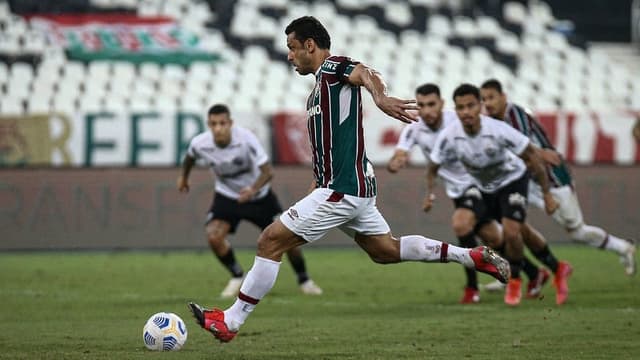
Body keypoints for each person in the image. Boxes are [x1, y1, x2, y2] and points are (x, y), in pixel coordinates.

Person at [187, 16, 511, 343]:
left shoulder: (331, 68)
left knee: (270, 240)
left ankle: (231, 320)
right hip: (347, 189)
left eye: (292, 48)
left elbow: (365, 73)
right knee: (385, 250)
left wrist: (381, 97)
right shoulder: (317, 91)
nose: (289, 56)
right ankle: (470, 256)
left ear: (309, 46)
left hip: (343, 190)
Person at [387, 83, 551, 304]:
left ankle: (472, 287)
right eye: (422, 105)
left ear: (442, 104)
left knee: (461, 224)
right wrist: (396, 162)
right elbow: (401, 152)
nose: (426, 110)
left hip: (475, 184)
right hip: (456, 190)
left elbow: (493, 134)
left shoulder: (458, 120)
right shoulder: (414, 128)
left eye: (431, 104)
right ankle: (533, 272)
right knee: (493, 237)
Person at [429, 83, 570, 306]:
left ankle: (513, 279)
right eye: (461, 108)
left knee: (512, 231)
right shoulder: (450, 136)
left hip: (512, 180)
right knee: (503, 232)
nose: (466, 112)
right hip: (483, 188)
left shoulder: (497, 129)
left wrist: (547, 194)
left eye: (470, 106)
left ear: (480, 106)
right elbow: (433, 165)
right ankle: (555, 268)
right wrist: (429, 192)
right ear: (455, 110)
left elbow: (533, 156)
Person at [480, 79, 637, 276]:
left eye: (491, 97)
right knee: (506, 220)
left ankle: (623, 247)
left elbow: (523, 147)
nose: (487, 103)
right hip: (525, 179)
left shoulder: (514, 114)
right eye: (484, 99)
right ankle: (513, 271)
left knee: (577, 231)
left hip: (552, 178)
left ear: (503, 97)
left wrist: (539, 154)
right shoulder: (493, 122)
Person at [177, 104, 323, 298]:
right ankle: (237, 275)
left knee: (288, 237)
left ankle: (304, 279)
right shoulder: (200, 143)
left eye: (222, 123)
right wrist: (184, 178)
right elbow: (189, 158)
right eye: (213, 124)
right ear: (208, 125)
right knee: (213, 235)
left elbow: (268, 171)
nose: (218, 128)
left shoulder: (246, 139)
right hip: (227, 196)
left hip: (259, 197)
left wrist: (252, 190)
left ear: (230, 123)